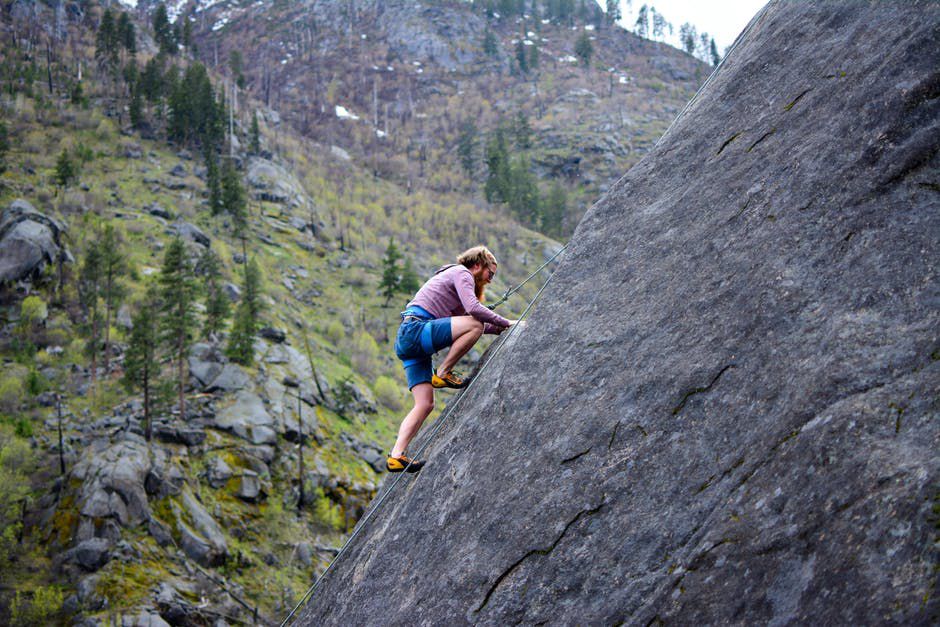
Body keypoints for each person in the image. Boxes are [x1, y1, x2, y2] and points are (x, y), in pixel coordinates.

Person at [387, 245, 516, 473]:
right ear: (477, 266)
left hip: (409, 340)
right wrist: (505, 322)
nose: (490, 280)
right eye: (490, 273)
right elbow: (473, 312)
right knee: (474, 323)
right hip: (417, 330)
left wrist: (501, 328)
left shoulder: (452, 282)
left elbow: (465, 323)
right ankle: (444, 372)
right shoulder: (461, 273)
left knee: (425, 404)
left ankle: (396, 455)